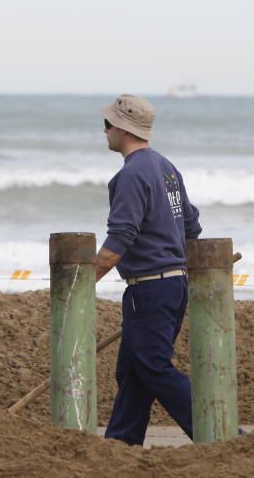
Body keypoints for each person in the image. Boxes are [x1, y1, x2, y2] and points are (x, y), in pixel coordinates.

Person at [94, 93, 202, 446]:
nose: (104, 130)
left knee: (153, 365)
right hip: (172, 284)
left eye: (107, 124)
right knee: (133, 370)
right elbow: (191, 227)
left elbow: (120, 236)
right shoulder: (167, 168)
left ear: (121, 128)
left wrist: (81, 281)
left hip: (150, 288)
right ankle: (121, 442)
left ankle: (218, 429)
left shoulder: (131, 175)